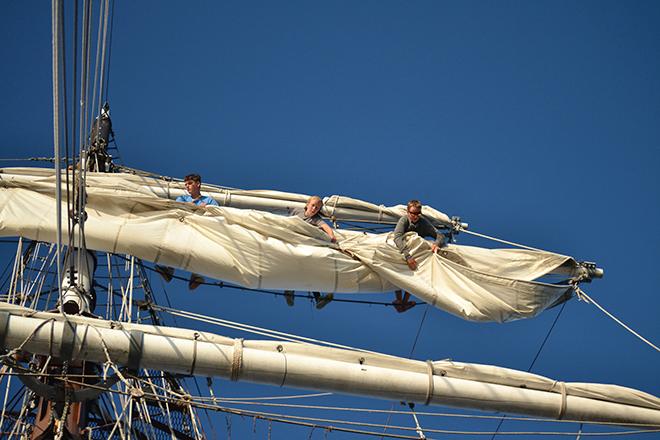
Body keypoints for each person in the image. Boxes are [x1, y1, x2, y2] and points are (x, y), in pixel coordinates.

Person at [159, 174, 218, 290]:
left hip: (200, 228)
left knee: (198, 249)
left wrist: (197, 208)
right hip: (184, 225)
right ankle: (168, 269)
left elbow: (215, 212)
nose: (187, 186)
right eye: (185, 184)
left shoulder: (209, 200)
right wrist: (199, 207)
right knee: (174, 244)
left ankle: (197, 275)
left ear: (198, 184)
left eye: (190, 183)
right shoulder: (182, 198)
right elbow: (179, 207)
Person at [391, 199, 446, 312]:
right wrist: (407, 256)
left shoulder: (423, 223)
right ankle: (400, 300)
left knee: (414, 272)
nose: (415, 216)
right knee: (398, 268)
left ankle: (404, 302)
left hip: (415, 251)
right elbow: (397, 237)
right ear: (408, 212)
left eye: (417, 214)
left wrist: (436, 244)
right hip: (402, 249)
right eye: (413, 213)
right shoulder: (404, 220)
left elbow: (440, 235)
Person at [284, 195, 337, 308]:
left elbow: (326, 228)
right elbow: (287, 222)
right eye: (313, 206)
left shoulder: (316, 219)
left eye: (317, 208)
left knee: (309, 270)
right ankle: (289, 290)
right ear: (307, 205)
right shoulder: (297, 211)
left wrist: (332, 236)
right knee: (294, 266)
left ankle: (318, 298)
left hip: (305, 244)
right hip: (294, 241)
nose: (314, 209)